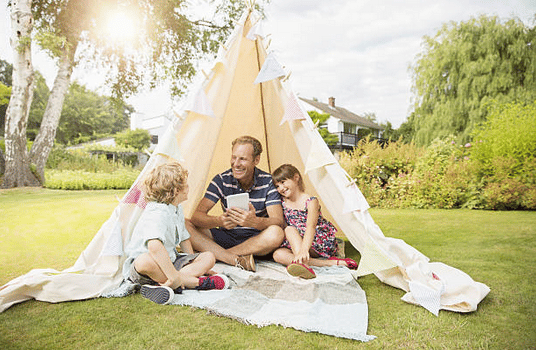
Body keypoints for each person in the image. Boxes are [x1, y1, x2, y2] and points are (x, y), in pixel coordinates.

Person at [123, 161, 229, 305]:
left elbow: (184, 238)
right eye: (185, 185)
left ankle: (165, 285)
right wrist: (173, 276)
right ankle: (196, 283)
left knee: (208, 257)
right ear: (174, 191)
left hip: (171, 262)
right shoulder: (157, 213)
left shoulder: (176, 208)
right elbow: (154, 247)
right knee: (143, 262)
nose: (188, 188)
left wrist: (191, 261)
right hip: (149, 267)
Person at [187, 136, 285, 272]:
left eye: (243, 159)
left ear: (256, 160)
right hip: (226, 236)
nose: (236, 164)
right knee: (184, 224)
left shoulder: (268, 181)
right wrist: (220, 221)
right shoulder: (221, 180)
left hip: (257, 241)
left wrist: (255, 222)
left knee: (277, 233)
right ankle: (233, 259)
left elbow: (278, 221)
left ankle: (221, 255)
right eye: (234, 157)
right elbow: (196, 217)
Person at [271, 164, 358, 279]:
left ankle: (302, 262)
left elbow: (311, 227)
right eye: (277, 186)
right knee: (278, 255)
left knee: (290, 229)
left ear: (296, 178)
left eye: (283, 182)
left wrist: (303, 250)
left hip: (316, 239)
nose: (281, 188)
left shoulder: (311, 201)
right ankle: (329, 263)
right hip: (297, 240)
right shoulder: (282, 202)